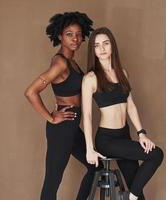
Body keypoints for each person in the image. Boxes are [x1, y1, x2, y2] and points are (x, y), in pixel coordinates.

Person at [82, 27, 164, 200]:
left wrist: (142, 134)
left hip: (124, 135)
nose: (102, 48)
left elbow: (131, 105)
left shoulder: (122, 73)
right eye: (97, 45)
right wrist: (90, 148)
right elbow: (87, 115)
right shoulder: (90, 78)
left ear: (112, 46)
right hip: (107, 140)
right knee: (157, 154)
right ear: (93, 51)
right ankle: (129, 198)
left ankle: (131, 197)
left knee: (138, 190)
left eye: (106, 43)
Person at [24, 12, 97, 200]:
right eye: (69, 34)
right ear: (59, 36)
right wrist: (51, 116)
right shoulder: (60, 63)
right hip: (62, 128)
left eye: (78, 34)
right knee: (52, 181)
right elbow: (30, 92)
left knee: (95, 166)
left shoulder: (71, 62)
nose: (75, 38)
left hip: (72, 126)